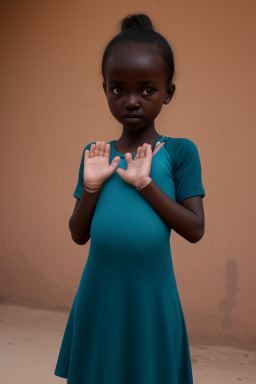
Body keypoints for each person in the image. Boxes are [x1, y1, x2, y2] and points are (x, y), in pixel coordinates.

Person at [54, 13, 206, 384]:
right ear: (105, 90)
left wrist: (145, 185)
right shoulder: (97, 154)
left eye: (147, 89)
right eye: (118, 89)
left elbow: (194, 228)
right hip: (99, 293)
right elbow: (78, 233)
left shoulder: (179, 152)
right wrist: (91, 188)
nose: (131, 100)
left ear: (168, 92)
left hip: (151, 297)